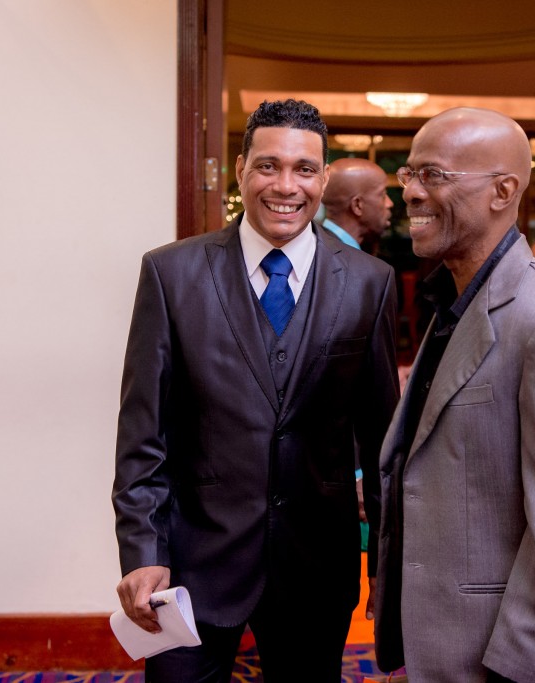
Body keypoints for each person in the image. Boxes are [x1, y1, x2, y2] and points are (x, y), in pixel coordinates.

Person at [112, 98, 400, 683]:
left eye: (304, 169)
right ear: (242, 170)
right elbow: (144, 434)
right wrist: (143, 552)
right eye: (269, 166)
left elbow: (381, 446)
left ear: (323, 179)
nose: (286, 186)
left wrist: (387, 568)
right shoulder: (171, 274)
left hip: (317, 564)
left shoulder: (371, 283)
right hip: (192, 563)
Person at [373, 108, 535, 683]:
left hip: (502, 661)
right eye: (409, 174)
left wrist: (518, 671)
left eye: (433, 175)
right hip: (444, 643)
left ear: (503, 191)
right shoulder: (456, 301)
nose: (410, 191)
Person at [321, 157, 394, 254]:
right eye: (383, 195)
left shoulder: (321, 246)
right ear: (357, 205)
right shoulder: (333, 257)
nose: (390, 203)